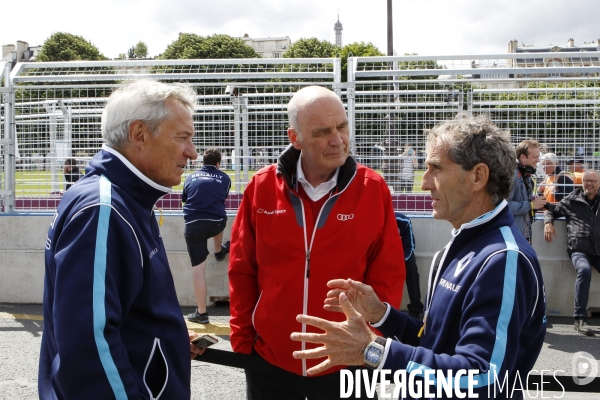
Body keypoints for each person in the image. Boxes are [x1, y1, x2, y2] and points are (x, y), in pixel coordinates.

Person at [291, 115, 547, 399]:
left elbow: (483, 377)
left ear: (478, 176)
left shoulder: (503, 259)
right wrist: (382, 315)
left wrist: (372, 351)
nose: (424, 183)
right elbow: (433, 343)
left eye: (435, 169)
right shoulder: (460, 245)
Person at [228, 85, 405, 399]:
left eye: (342, 126)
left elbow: (387, 274)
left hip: (348, 362)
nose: (337, 140)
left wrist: (370, 339)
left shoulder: (372, 188)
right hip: (272, 361)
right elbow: (242, 270)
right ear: (295, 138)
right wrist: (243, 342)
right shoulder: (262, 187)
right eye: (323, 131)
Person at [39, 79, 203, 399]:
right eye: (182, 137)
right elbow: (89, 346)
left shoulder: (125, 200)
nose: (192, 152)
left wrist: (166, 336)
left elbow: (121, 310)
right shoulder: (104, 209)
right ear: (139, 134)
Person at [544, 169, 600, 336]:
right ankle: (580, 319)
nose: (589, 184)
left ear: (599, 183)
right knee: (584, 270)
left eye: (593, 181)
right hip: (579, 249)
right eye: (586, 180)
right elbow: (551, 210)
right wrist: (548, 223)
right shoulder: (572, 200)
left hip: (598, 250)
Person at [182, 148, 231, 324]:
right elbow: (221, 198)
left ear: (203, 162)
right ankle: (218, 250)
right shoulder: (225, 177)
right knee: (219, 215)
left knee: (198, 269)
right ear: (218, 164)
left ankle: (201, 314)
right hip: (216, 222)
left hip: (194, 225)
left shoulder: (189, 177)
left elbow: (185, 198)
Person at [508, 140, 547, 243]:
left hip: (523, 235)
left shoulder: (526, 174)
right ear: (523, 157)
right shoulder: (513, 176)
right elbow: (504, 206)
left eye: (538, 156)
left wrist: (537, 204)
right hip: (513, 238)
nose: (538, 160)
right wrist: (531, 205)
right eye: (535, 157)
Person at [395, 211, 423, 319]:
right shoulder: (378, 221)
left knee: (411, 270)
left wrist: (401, 261)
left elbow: (410, 246)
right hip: (387, 253)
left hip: (404, 253)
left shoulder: (403, 221)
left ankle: (415, 309)